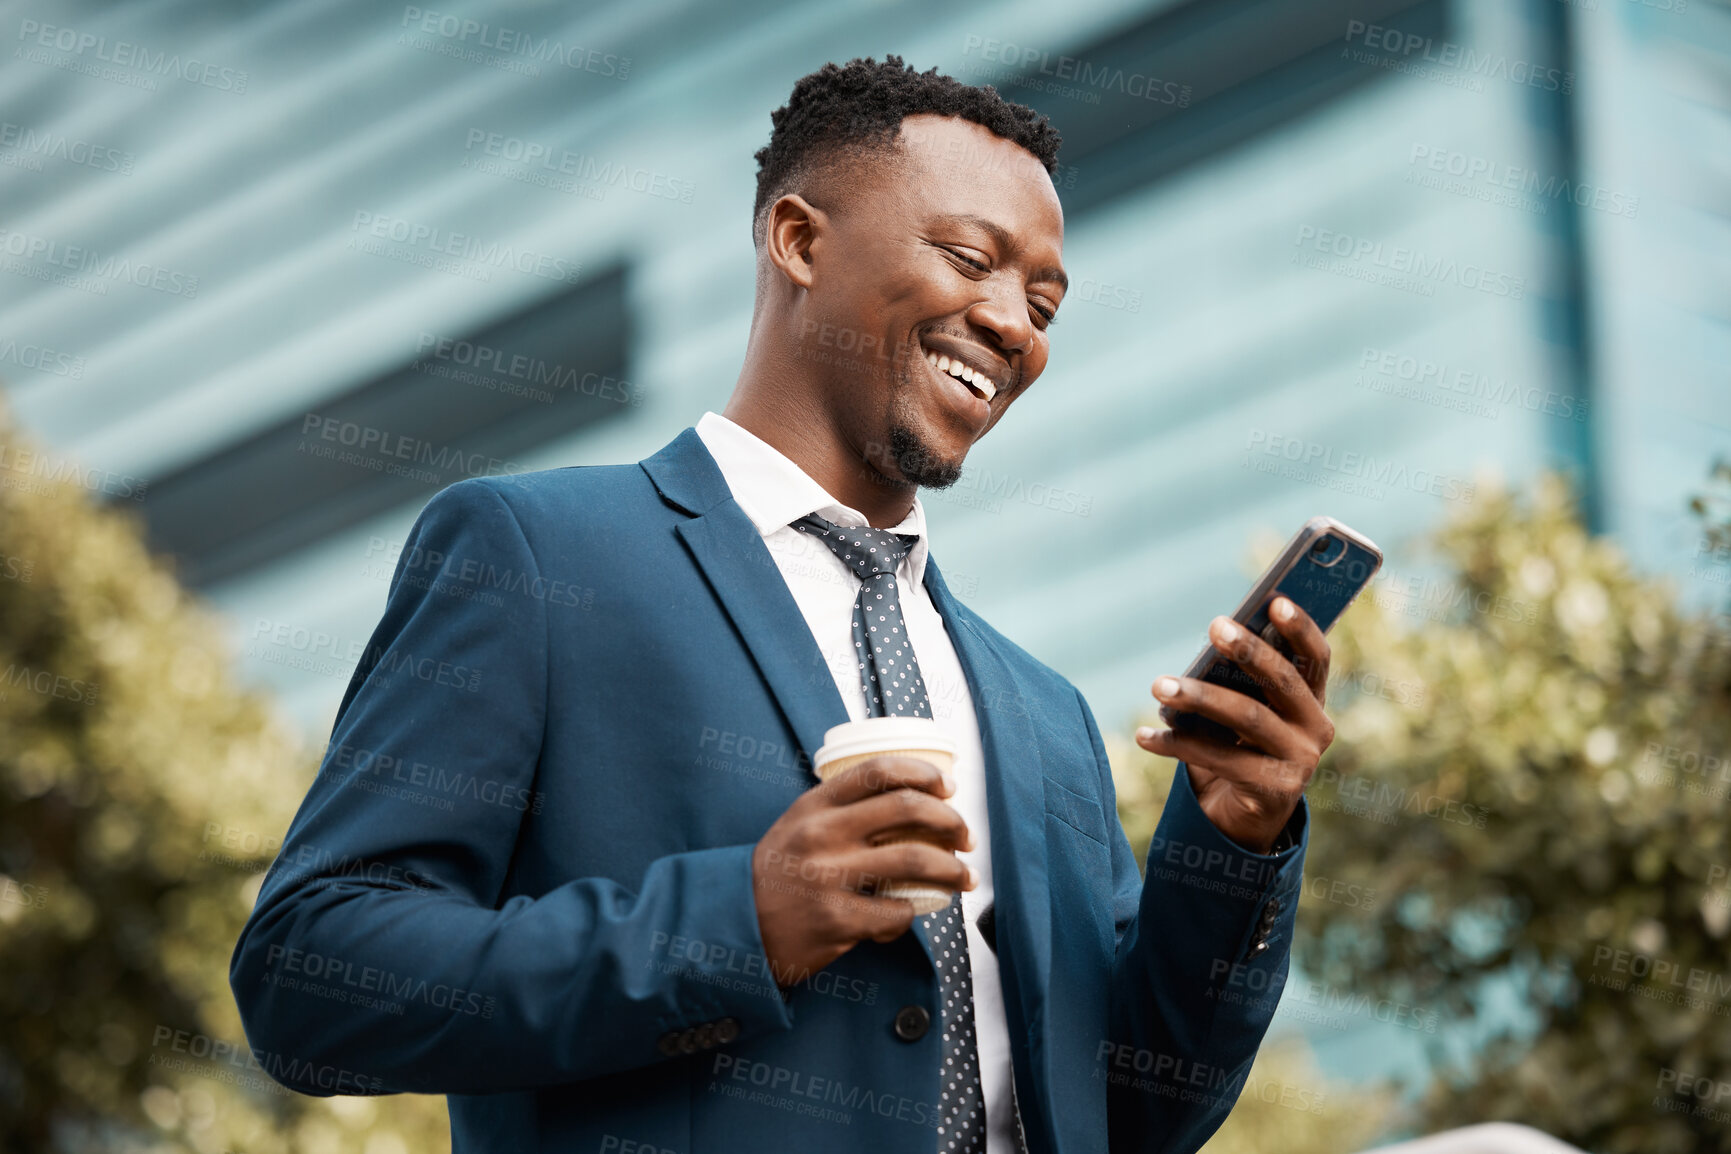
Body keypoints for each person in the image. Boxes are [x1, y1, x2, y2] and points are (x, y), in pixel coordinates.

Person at [231, 56, 1334, 1154]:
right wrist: (741, 923)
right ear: (800, 240)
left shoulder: (1042, 714)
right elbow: (310, 976)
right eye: (968, 258)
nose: (1013, 324)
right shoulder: (537, 556)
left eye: (1043, 301)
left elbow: (1133, 1112)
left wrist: (1234, 839)